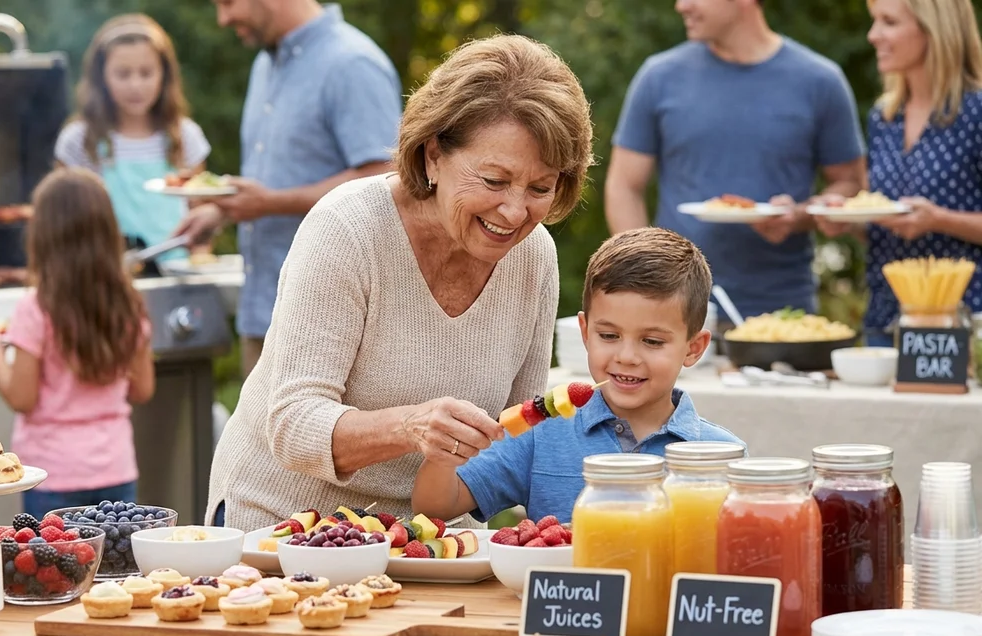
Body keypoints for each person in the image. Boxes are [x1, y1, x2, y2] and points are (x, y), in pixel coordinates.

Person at [204, 35, 593, 530]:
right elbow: (293, 426)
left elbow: (512, 433)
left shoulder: (534, 256)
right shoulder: (348, 227)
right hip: (285, 529)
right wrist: (409, 427)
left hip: (429, 540)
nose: (516, 212)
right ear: (434, 156)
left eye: (540, 188)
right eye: (494, 181)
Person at [412, 228, 744, 523]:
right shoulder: (541, 433)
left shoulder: (723, 456)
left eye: (652, 341)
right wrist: (446, 452)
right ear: (585, 332)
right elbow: (436, 508)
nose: (626, 357)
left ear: (694, 348)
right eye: (609, 336)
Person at [605, 0, 868, 323]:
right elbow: (624, 186)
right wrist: (643, 276)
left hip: (783, 312)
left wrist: (799, 215)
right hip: (677, 309)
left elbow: (851, 183)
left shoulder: (820, 81)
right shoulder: (658, 77)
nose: (681, 6)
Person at [178, 0, 402, 377]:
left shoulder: (352, 64)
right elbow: (283, 179)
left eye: (228, 3)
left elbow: (384, 178)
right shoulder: (265, 65)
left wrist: (268, 204)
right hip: (263, 313)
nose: (223, 18)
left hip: (326, 323)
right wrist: (224, 209)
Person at [0, 168, 155, 519]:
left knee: (56, 571)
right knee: (116, 569)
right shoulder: (128, 303)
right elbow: (142, 389)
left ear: (43, 237)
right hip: (116, 467)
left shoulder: (35, 307)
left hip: (52, 475)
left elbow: (22, 398)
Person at [818, 0, 982, 346]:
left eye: (889, 22)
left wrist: (939, 219)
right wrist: (847, 219)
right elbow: (886, 219)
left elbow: (927, 218)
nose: (873, 35)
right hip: (885, 319)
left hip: (961, 325)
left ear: (934, 30)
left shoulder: (977, 113)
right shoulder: (884, 117)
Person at [55, 14, 212, 258]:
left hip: (175, 275)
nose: (136, 85)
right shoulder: (79, 140)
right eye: (123, 74)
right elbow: (62, 221)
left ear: (164, 75)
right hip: (103, 279)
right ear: (101, 78)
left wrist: (201, 261)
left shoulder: (186, 136)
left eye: (146, 73)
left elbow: (200, 224)